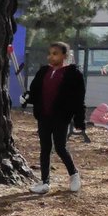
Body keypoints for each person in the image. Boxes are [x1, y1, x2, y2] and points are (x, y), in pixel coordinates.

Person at [25, 41, 85, 195]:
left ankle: (74, 175)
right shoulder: (44, 71)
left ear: (64, 55)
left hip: (61, 116)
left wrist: (79, 120)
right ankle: (44, 182)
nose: (51, 57)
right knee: (45, 148)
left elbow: (78, 99)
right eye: (50, 53)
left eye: (55, 53)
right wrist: (27, 98)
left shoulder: (73, 74)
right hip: (44, 116)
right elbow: (35, 91)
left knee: (60, 147)